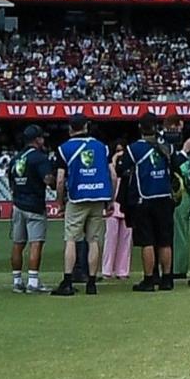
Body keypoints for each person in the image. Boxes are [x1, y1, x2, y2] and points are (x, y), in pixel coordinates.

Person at [54, 116, 115, 296]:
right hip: (98, 196)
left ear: (70, 128)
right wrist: (110, 200)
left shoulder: (64, 148)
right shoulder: (102, 147)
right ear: (87, 126)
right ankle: (92, 282)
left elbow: (59, 180)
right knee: (93, 240)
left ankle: (67, 280)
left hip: (77, 197)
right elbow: (112, 175)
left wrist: (60, 203)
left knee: (71, 239)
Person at [120, 116, 182, 292]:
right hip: (164, 197)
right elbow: (177, 165)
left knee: (147, 241)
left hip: (144, 198)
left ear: (140, 127)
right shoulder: (167, 146)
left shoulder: (134, 148)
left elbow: (122, 168)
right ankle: (167, 279)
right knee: (165, 241)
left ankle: (149, 279)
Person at [4, 124, 58, 294]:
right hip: (34, 204)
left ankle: (17, 281)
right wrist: (56, 183)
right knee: (36, 243)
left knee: (17, 244)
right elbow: (48, 180)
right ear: (37, 139)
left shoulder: (16, 158)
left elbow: (11, 182)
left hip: (18, 204)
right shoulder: (40, 158)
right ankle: (33, 281)